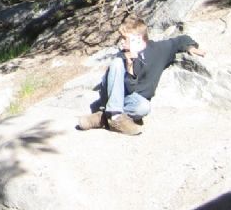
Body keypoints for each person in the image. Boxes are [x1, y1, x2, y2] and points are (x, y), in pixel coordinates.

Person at [78, 16, 206, 135]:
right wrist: (129, 67)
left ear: (138, 38)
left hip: (131, 101)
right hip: (113, 96)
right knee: (117, 63)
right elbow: (123, 88)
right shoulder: (122, 56)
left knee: (143, 107)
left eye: (125, 38)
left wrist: (190, 48)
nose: (121, 42)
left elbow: (182, 40)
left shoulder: (158, 49)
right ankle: (115, 116)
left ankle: (105, 117)